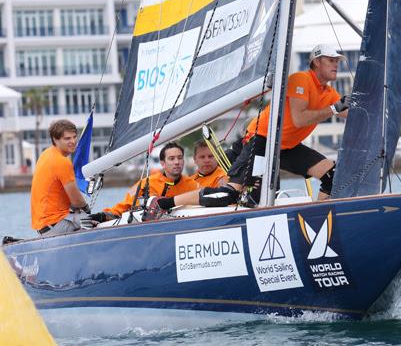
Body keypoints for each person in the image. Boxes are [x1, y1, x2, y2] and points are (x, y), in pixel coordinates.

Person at [154, 43, 349, 212]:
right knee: (228, 195)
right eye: (331, 60)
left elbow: (350, 113)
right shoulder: (301, 80)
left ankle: (319, 219)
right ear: (316, 61)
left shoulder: (329, 93)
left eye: (337, 61)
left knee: (334, 176)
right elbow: (299, 119)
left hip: (285, 147)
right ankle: (163, 203)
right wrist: (333, 109)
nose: (336, 64)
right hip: (262, 140)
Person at [93, 142, 199, 221]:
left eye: (179, 158)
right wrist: (103, 216)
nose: (176, 162)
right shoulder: (147, 183)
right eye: (171, 158)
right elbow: (123, 207)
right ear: (163, 163)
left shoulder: (193, 185)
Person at [30, 119, 92, 236]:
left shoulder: (46, 154)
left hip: (43, 226)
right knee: (94, 221)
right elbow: (77, 201)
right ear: (55, 139)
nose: (73, 141)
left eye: (74, 137)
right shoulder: (62, 161)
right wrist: (86, 208)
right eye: (67, 138)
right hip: (55, 226)